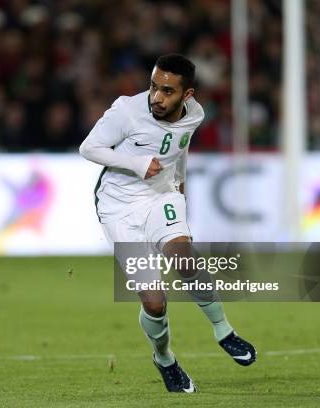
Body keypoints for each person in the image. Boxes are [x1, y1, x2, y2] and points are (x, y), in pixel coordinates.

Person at [79, 54, 256, 393]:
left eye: (167, 91)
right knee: (155, 302)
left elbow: (180, 148)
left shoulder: (196, 114)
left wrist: (182, 185)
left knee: (184, 256)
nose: (157, 98)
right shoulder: (127, 111)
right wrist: (135, 163)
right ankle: (164, 359)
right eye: (153, 87)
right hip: (118, 206)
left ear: (187, 95)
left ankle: (224, 331)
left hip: (162, 196)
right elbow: (89, 148)